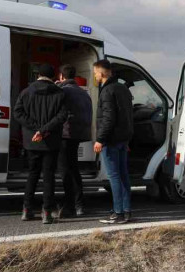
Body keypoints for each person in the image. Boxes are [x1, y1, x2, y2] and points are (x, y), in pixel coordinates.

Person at [12, 63, 68, 224]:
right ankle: (47, 213)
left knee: (32, 175)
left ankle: (26, 210)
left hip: (32, 141)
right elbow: (62, 116)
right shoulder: (60, 93)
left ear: (38, 75)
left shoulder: (26, 92)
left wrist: (36, 129)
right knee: (49, 177)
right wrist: (44, 130)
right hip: (51, 141)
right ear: (53, 77)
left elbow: (18, 113)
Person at [92, 59, 134, 224]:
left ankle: (118, 213)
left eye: (95, 73)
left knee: (114, 176)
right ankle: (126, 210)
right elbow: (128, 117)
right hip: (123, 140)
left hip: (110, 140)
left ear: (102, 74)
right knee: (123, 176)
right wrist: (127, 138)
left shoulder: (107, 91)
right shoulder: (122, 88)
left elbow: (108, 118)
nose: (95, 76)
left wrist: (100, 139)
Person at [56, 64, 92, 217]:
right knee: (74, 169)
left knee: (65, 171)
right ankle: (80, 205)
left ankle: (70, 205)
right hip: (79, 134)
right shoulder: (84, 93)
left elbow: (57, 112)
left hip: (65, 134)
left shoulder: (62, 91)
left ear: (61, 76)